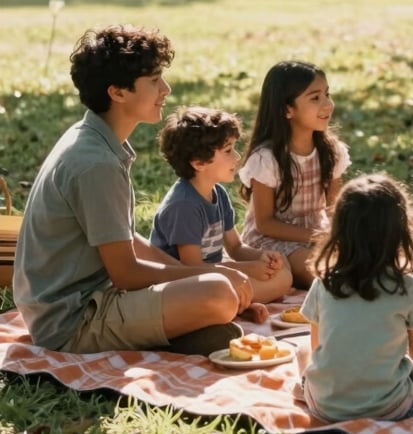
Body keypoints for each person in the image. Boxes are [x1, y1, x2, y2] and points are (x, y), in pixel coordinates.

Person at [13, 25, 254, 356]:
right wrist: (205, 274)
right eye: (154, 80)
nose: (166, 89)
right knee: (218, 292)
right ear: (118, 92)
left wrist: (192, 277)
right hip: (72, 322)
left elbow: (124, 239)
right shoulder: (95, 162)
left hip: (90, 302)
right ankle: (179, 329)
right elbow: (126, 272)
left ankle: (180, 329)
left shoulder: (97, 140)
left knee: (215, 290)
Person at [300, 173, 413, 421]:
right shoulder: (408, 288)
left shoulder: (323, 283)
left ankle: (304, 390)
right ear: (398, 233)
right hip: (391, 407)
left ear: (339, 231)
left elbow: (318, 348)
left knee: (303, 349)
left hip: (325, 406)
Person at [150, 106, 293, 311]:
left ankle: (240, 303)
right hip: (184, 285)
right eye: (228, 151)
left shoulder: (218, 193)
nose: (236, 157)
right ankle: (237, 303)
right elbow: (192, 267)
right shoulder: (183, 206)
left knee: (283, 270)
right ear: (199, 163)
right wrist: (245, 269)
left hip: (215, 274)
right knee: (281, 280)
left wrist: (260, 258)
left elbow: (235, 247)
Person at [238, 60, 350, 289]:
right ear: (287, 109)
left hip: (317, 233)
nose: (328, 105)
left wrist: (339, 236)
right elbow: (265, 224)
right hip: (272, 241)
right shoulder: (267, 160)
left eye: (327, 94)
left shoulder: (331, 152)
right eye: (315, 98)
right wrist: (318, 236)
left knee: (360, 260)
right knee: (321, 273)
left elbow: (333, 208)